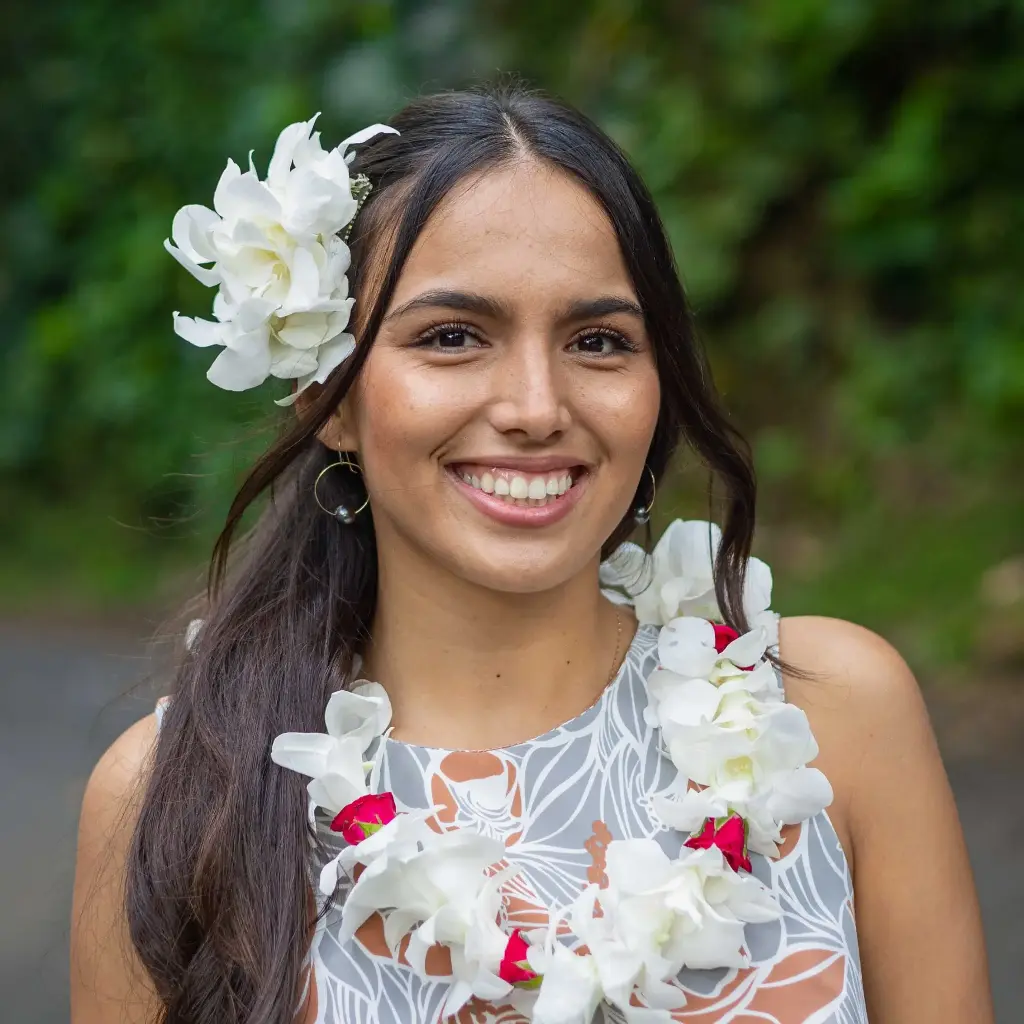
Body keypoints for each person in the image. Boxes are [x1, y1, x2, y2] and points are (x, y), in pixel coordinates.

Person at [70, 84, 992, 1024]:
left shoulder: (838, 718)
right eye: (453, 337)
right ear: (330, 396)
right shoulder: (182, 798)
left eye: (598, 341)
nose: (537, 407)